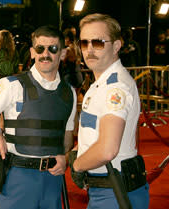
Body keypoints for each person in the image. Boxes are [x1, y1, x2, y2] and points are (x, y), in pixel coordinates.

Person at [0, 25, 77, 209]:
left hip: (52, 180)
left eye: (53, 49)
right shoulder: (12, 85)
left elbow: (66, 141)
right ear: (32, 52)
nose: (45, 54)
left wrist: (65, 158)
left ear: (63, 53)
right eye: (40, 48)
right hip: (18, 178)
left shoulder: (69, 93)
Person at [71, 13, 149, 209]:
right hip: (107, 189)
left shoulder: (115, 88)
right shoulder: (102, 84)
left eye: (98, 43)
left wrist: (77, 165)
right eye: (84, 43)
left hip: (114, 191)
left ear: (116, 46)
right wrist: (75, 153)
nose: (89, 50)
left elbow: (107, 149)